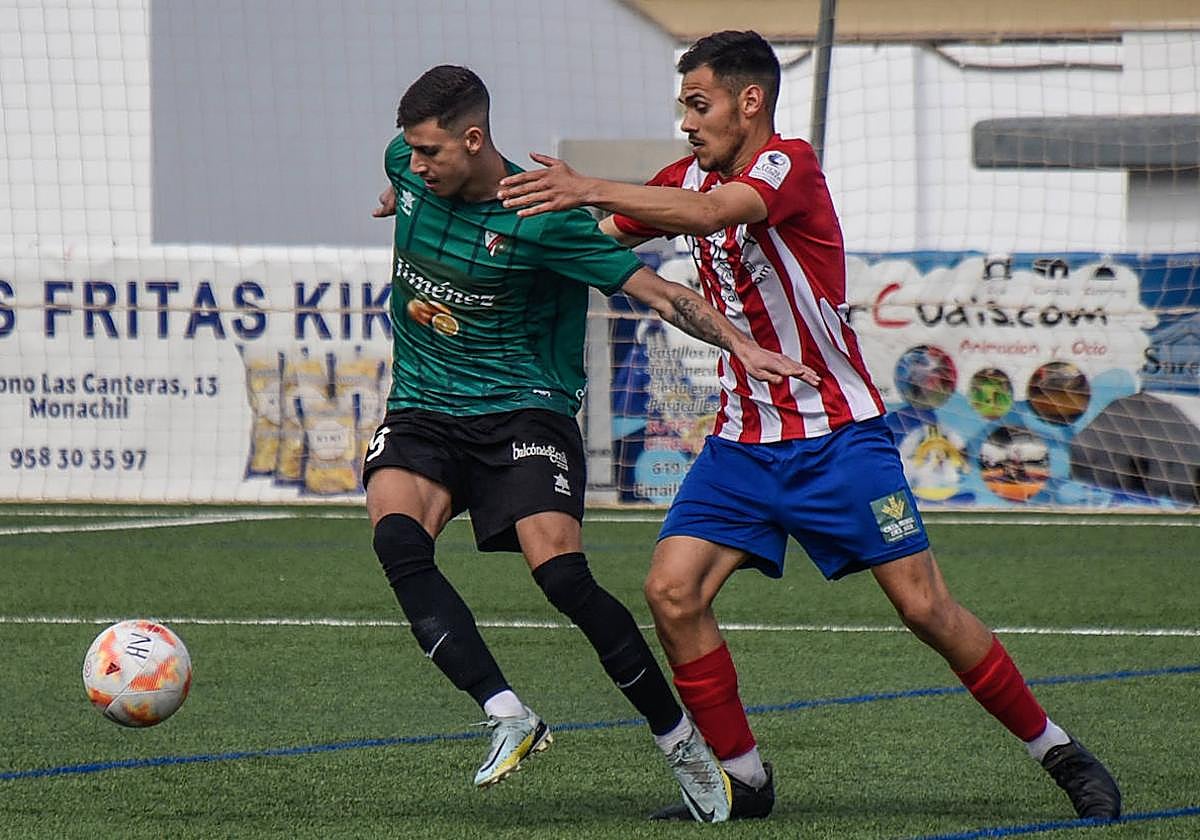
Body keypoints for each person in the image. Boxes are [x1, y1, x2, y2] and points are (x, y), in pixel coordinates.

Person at [497, 30, 1122, 824]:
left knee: (926, 609)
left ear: (748, 101)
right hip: (740, 445)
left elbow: (707, 211)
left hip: (838, 438)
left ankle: (1060, 753)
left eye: (700, 104)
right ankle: (744, 779)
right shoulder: (678, 178)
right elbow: (591, 240)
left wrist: (589, 185)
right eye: (683, 107)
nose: (687, 123)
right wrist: (465, 213)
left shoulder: (785, 163)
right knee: (670, 589)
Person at [366, 63, 821, 822]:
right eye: (408, 154)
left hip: (524, 412)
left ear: (474, 139)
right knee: (397, 541)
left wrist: (740, 346)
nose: (413, 165)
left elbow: (659, 293)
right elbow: (404, 177)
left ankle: (679, 743)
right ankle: (508, 712)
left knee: (564, 580)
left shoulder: (542, 219)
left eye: (430, 154)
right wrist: (403, 190)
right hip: (423, 408)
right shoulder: (407, 166)